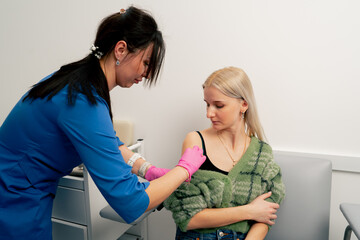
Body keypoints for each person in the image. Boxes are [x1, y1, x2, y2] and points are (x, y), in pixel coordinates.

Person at [0, 6, 205, 240]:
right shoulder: (82, 100)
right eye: (146, 62)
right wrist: (183, 170)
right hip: (13, 198)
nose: (147, 73)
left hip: (19, 188)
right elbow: (130, 201)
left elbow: (109, 143)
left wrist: (147, 169)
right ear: (120, 49)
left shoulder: (79, 80)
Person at [163, 67, 286, 240]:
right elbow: (188, 217)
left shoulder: (261, 154)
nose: (209, 113)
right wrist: (248, 211)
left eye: (218, 105)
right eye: (207, 104)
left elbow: (265, 215)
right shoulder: (196, 142)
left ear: (243, 104)